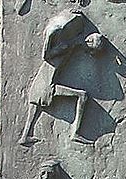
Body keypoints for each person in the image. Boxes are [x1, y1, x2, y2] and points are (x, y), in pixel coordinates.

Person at [19, 9, 93, 146]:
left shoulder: (64, 39)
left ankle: (25, 135)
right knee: (82, 96)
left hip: (45, 80)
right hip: (47, 82)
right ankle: (75, 133)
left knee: (34, 107)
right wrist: (62, 48)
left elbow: (75, 43)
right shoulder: (54, 33)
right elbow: (45, 55)